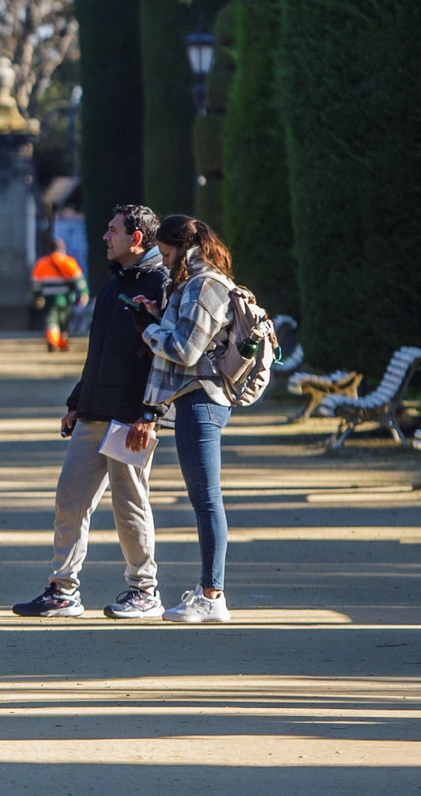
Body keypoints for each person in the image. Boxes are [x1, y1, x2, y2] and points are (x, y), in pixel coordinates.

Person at [12, 205, 168, 620]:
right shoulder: (112, 284)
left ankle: (144, 590)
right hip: (94, 413)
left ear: (136, 238)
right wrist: (77, 402)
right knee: (70, 499)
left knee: (130, 505)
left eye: (113, 230)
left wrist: (151, 415)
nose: (105, 236)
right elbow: (98, 354)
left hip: (132, 420)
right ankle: (63, 591)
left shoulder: (162, 285)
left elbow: (166, 361)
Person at [128, 214, 238, 624]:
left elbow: (185, 350)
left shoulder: (202, 284)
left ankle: (212, 594)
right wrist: (159, 317)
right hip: (200, 400)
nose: (162, 257)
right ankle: (211, 590)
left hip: (200, 399)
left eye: (165, 250)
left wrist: (148, 329)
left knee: (207, 500)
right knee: (205, 499)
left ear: (179, 247)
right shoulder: (198, 281)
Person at [31, 237, 89, 352]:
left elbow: (36, 283)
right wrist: (84, 293)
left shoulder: (42, 263)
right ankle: (63, 343)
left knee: (51, 320)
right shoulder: (69, 262)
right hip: (66, 298)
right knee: (64, 321)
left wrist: (38, 296)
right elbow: (79, 280)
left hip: (49, 298)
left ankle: (52, 341)